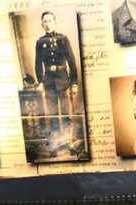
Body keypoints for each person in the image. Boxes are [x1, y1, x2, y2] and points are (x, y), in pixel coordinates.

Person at [35, 12, 80, 140]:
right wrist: (40, 82)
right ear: (42, 25)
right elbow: (38, 64)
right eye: (45, 21)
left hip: (63, 81)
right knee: (53, 114)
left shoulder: (63, 39)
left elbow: (72, 61)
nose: (48, 24)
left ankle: (67, 139)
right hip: (48, 82)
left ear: (55, 22)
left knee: (66, 113)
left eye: (50, 21)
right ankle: (56, 140)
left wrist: (74, 83)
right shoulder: (39, 42)